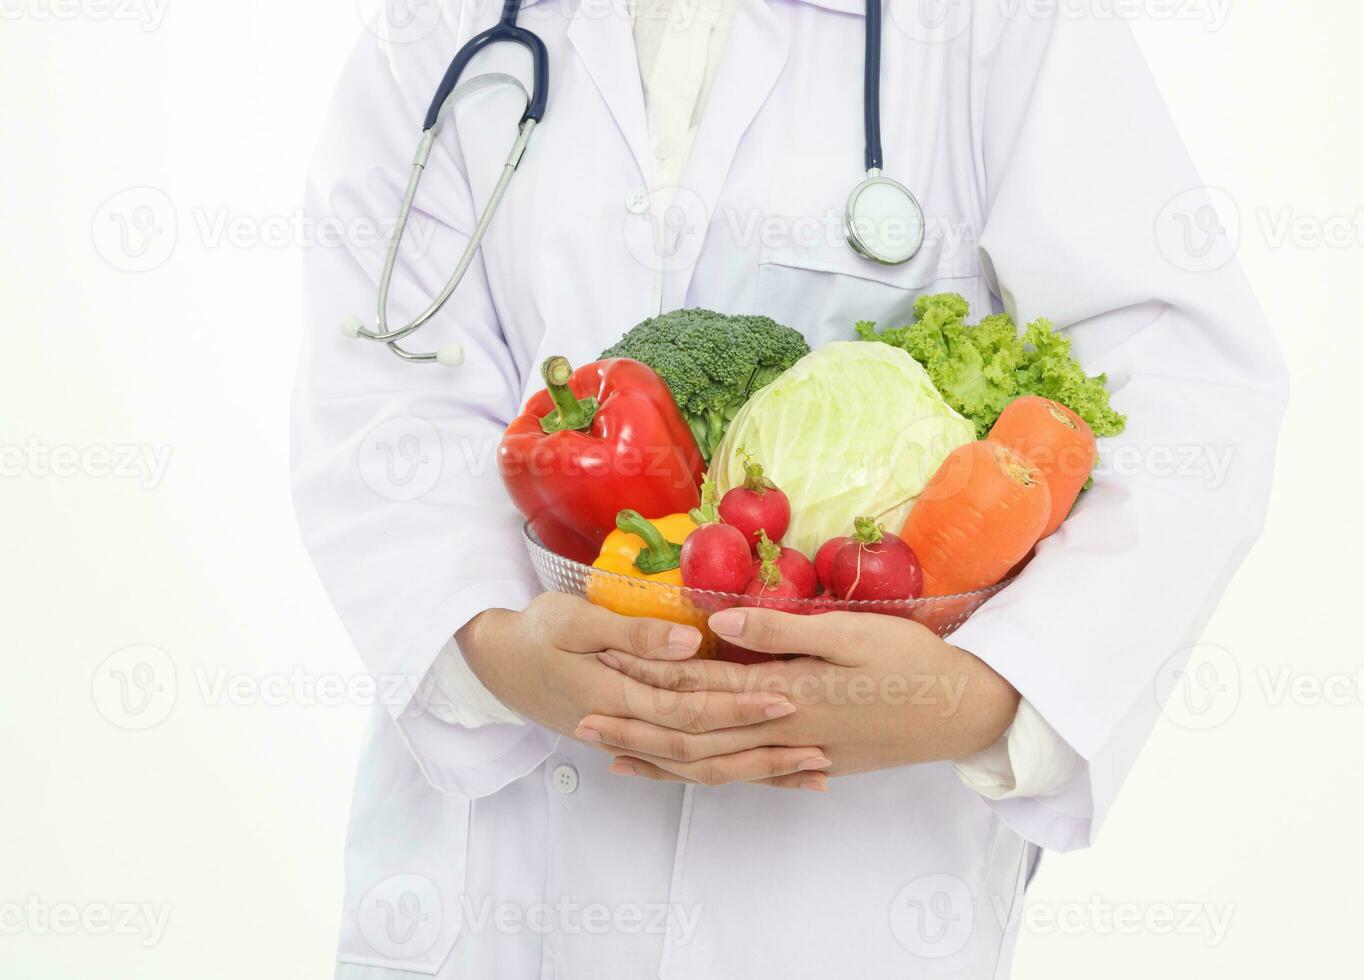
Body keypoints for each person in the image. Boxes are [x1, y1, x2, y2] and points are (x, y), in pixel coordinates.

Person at [292, 1, 1287, 976]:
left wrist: (986, 690)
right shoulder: (440, 27)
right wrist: (495, 651)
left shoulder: (1008, 24)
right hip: (494, 879)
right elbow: (382, 395)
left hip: (842, 880)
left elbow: (1187, 392)